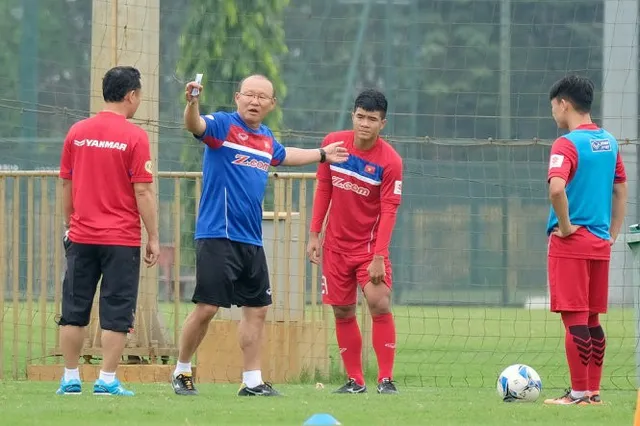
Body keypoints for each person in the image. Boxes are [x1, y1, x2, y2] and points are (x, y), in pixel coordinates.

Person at [171, 74, 349, 397]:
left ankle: (252, 380)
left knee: (257, 310)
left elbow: (285, 154)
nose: (254, 101)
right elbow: (194, 125)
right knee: (208, 307)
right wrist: (192, 103)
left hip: (251, 240)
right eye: (249, 95)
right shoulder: (223, 126)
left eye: (261, 97)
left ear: (271, 104)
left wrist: (322, 154)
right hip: (217, 235)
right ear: (237, 97)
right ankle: (182, 369)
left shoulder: (266, 138)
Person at [56, 66, 161, 396]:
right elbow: (142, 192)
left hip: (81, 236)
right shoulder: (135, 136)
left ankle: (70, 378)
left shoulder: (77, 132)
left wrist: (69, 223)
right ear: (131, 95)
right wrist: (154, 236)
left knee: (74, 310)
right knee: (116, 311)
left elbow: (65, 182)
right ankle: (106, 379)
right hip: (120, 240)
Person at [306, 89, 403, 394]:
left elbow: (389, 210)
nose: (364, 124)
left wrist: (379, 255)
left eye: (371, 119)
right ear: (353, 116)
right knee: (343, 311)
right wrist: (314, 234)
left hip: (368, 250)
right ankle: (355, 381)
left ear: (382, 124)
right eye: (360, 117)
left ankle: (385, 379)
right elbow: (324, 188)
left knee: (379, 302)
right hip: (334, 247)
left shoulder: (391, 162)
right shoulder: (334, 144)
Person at [543, 75, 627, 405]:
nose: (553, 114)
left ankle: (576, 393)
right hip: (600, 243)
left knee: (575, 320)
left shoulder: (566, 144)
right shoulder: (609, 142)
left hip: (572, 244)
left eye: (553, 107)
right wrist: (614, 232)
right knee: (593, 320)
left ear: (564, 103)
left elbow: (555, 188)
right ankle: (593, 392)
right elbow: (620, 188)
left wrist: (564, 226)